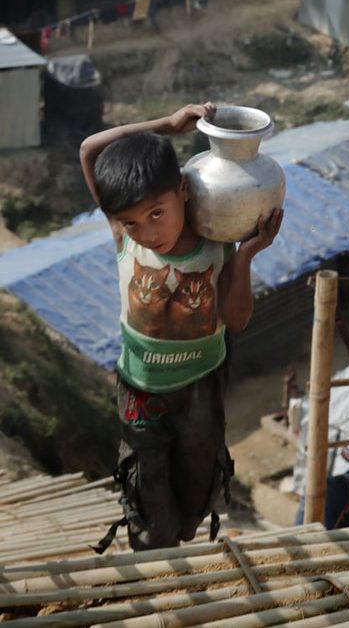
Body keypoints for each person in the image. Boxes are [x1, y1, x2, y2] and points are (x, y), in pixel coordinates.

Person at [79, 103, 283, 551]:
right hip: (140, 391)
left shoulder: (217, 242)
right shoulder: (121, 235)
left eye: (157, 214)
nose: (147, 233)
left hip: (201, 390)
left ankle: (178, 548)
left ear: (184, 190)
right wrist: (167, 124)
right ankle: (156, 572)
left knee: (195, 495)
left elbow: (237, 319)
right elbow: (90, 149)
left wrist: (246, 256)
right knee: (148, 500)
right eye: (132, 222)